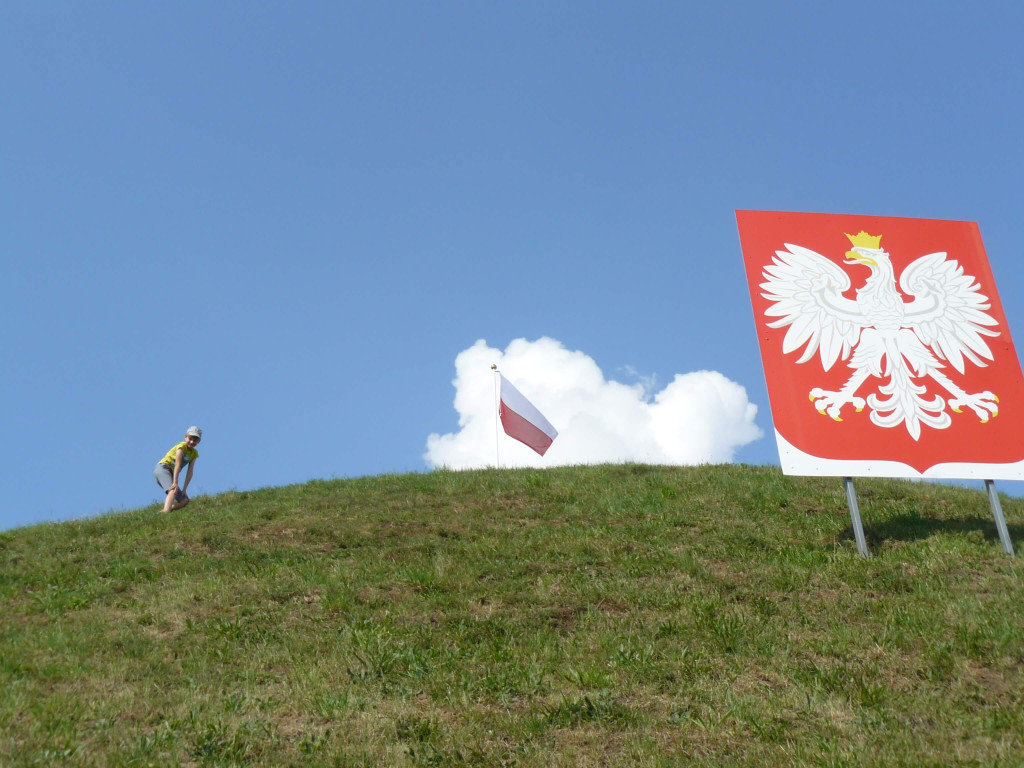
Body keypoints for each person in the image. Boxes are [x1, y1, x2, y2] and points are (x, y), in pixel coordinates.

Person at [155, 426, 202, 512]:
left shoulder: (194, 454)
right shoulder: (181, 447)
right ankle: (166, 511)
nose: (192, 442)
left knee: (185, 500)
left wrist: (184, 489)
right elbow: (177, 464)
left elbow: (190, 472)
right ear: (185, 437)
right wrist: (175, 483)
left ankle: (167, 509)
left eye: (195, 440)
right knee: (173, 489)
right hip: (163, 468)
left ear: (199, 441)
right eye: (190, 438)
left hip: (172, 473)